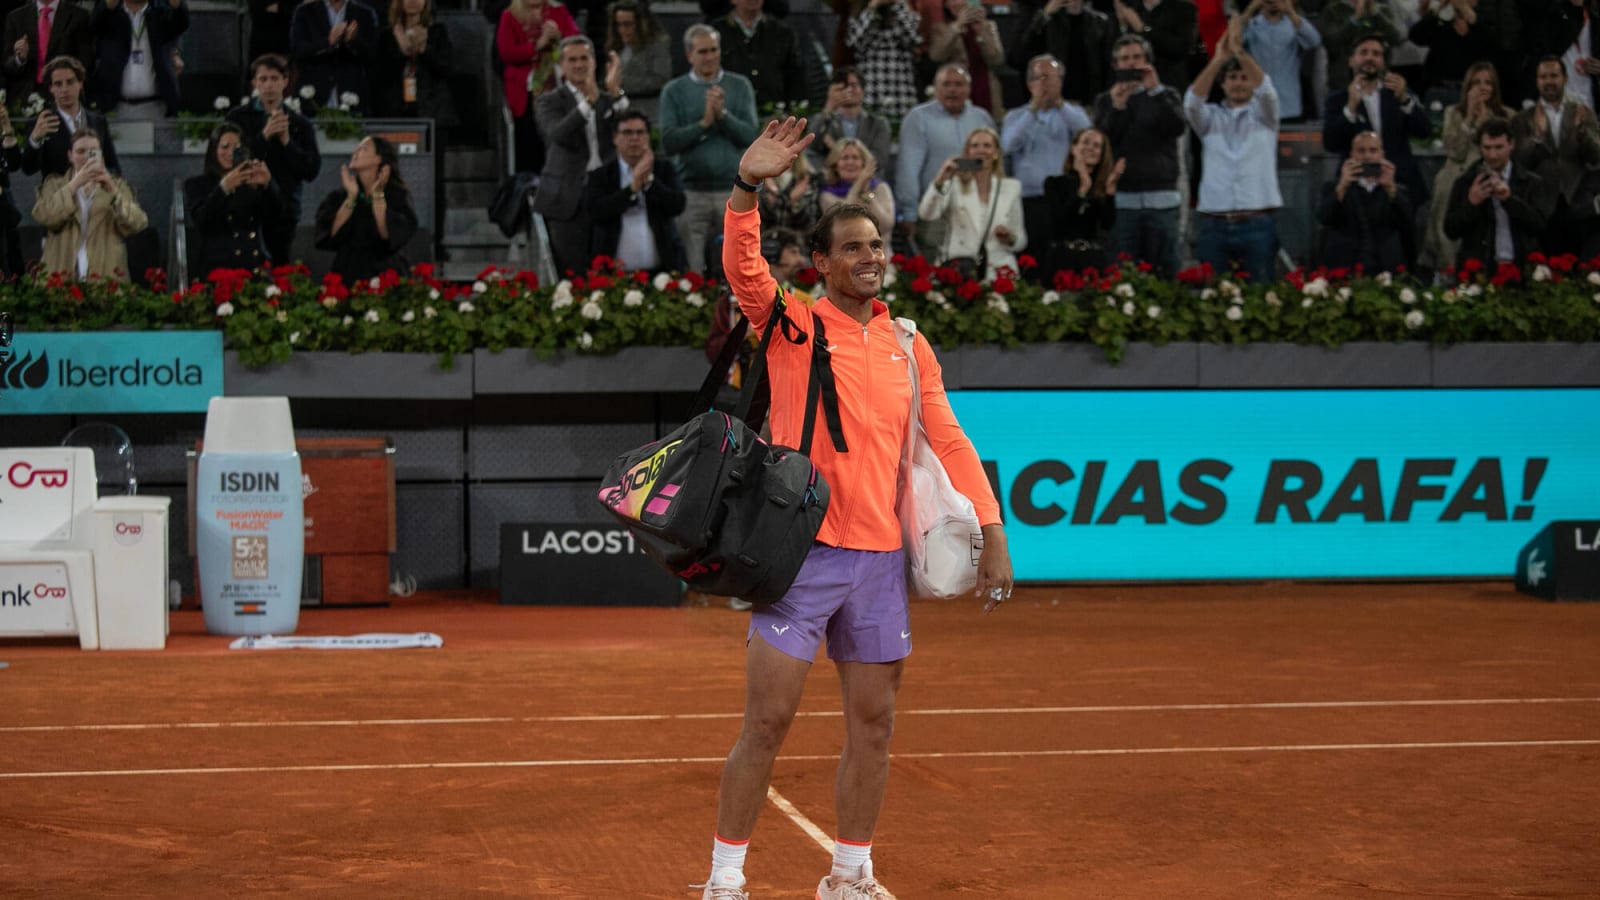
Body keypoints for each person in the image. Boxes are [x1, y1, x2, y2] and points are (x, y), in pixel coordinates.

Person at [697, 115, 1013, 900]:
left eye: (878, 247)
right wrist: (746, 187)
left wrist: (993, 528)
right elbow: (744, 269)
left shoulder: (910, 343)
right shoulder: (794, 324)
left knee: (874, 726)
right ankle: (725, 881)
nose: (870, 259)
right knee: (766, 725)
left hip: (877, 563)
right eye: (854, 248)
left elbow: (951, 441)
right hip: (799, 556)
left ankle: (848, 874)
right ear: (823, 262)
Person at [659, 24, 758, 274]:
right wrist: (703, 124)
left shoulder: (739, 86)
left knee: (737, 269)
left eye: (714, 50)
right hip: (692, 193)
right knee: (693, 270)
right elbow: (668, 142)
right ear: (689, 55)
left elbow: (749, 135)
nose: (710, 57)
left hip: (734, 192)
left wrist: (722, 115)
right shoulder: (674, 91)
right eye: (703, 51)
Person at [1187, 25, 1282, 280]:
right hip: (1214, 224)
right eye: (1232, 78)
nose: (1238, 83)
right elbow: (1192, 103)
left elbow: (1268, 93)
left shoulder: (1266, 117)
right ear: (1223, 83)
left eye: (1244, 78)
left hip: (1257, 223)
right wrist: (1218, 60)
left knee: (1262, 302)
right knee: (1213, 302)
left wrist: (1239, 53)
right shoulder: (1209, 120)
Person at [1093, 34, 1186, 276]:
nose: (1132, 64)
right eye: (1125, 59)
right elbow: (1100, 145)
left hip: (1162, 200)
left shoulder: (1167, 95)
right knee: (1121, 278)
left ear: (1149, 61)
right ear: (1116, 66)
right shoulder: (1105, 101)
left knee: (1167, 277)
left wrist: (1154, 90)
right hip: (1122, 202)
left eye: (1137, 57)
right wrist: (1117, 107)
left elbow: (1177, 127)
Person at [533, 35, 625, 275]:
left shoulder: (608, 99)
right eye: (572, 60)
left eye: (584, 58)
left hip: (605, 195)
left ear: (594, 62)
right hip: (566, 199)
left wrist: (616, 94)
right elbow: (557, 134)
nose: (579, 64)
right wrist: (587, 103)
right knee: (571, 273)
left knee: (607, 271)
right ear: (562, 66)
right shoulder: (549, 101)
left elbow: (628, 128)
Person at [227, 54, 322, 267]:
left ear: (285, 81)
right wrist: (263, 137)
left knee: (279, 269)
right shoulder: (237, 118)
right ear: (254, 83)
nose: (269, 85)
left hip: (283, 212)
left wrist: (287, 142)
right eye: (263, 79)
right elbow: (231, 160)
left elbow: (311, 170)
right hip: (245, 208)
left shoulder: (300, 124)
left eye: (274, 78)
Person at [1002, 54, 1091, 279]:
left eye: (1052, 78)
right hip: (1028, 199)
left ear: (1061, 82)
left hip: (1063, 200)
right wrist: (1033, 109)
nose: (1047, 84)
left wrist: (1060, 104)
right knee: (1032, 259)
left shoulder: (1073, 114)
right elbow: (1007, 145)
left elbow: (1087, 133)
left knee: (1060, 257)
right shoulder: (1016, 115)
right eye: (1041, 78)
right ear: (1030, 83)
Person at [894, 63, 994, 258]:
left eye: (958, 84)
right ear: (935, 88)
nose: (952, 89)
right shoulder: (918, 118)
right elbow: (908, 168)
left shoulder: (981, 118)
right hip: (935, 210)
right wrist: (909, 213)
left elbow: (989, 165)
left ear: (968, 88)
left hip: (977, 209)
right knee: (935, 271)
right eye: (946, 84)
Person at [1420, 61, 1510, 272]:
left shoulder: (1506, 115)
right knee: (1448, 188)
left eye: (1488, 82)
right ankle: (1447, 268)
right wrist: (1469, 118)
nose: (1482, 87)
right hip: (1457, 173)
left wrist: (1487, 119)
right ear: (1467, 87)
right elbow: (1454, 152)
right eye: (1476, 82)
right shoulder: (1454, 113)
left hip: (1493, 174)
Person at [1323, 34, 1432, 205]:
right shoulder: (1337, 100)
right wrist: (1350, 109)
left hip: (1400, 184)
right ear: (1351, 60)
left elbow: (1424, 131)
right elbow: (1330, 143)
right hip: (1356, 188)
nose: (1369, 58)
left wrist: (1405, 100)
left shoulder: (1398, 93)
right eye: (1364, 52)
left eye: (1376, 54)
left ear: (1384, 62)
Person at [1511, 56, 1600, 256]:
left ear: (1565, 79)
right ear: (1536, 81)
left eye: (1554, 75)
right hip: (1540, 207)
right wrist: (1538, 137)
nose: (1549, 81)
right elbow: (1520, 163)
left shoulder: (1583, 113)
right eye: (1543, 77)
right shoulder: (1522, 119)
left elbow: (1595, 158)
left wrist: (1582, 133)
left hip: (1578, 204)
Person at [32, 129, 147, 281]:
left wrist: (112, 190)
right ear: (70, 156)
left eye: (93, 152)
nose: (86, 157)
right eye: (80, 151)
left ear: (101, 155)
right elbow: (43, 215)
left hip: (106, 274)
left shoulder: (117, 185)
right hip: (61, 274)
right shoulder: (54, 184)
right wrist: (74, 185)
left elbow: (137, 224)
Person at [917, 125, 1027, 277]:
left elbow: (1020, 240)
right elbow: (926, 214)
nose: (981, 150)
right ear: (968, 152)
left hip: (998, 270)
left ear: (996, 153)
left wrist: (1009, 238)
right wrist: (941, 178)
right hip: (959, 268)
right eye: (975, 146)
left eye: (987, 146)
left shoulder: (1012, 188)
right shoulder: (953, 185)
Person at [586, 108, 687, 272]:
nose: (634, 138)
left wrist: (649, 182)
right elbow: (596, 211)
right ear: (615, 138)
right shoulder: (601, 175)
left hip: (662, 271)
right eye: (627, 133)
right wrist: (632, 189)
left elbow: (677, 205)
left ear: (647, 137)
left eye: (640, 132)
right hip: (613, 273)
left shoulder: (663, 169)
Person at [1443, 117, 1553, 264]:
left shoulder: (1531, 182)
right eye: (1487, 148)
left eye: (1498, 147)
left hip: (1521, 267)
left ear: (1511, 144)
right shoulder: (1465, 182)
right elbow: (1451, 231)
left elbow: (1539, 226)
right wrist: (1471, 204)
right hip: (1480, 268)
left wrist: (1509, 200)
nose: (1492, 155)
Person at [314, 135, 419, 281]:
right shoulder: (339, 196)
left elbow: (387, 235)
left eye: (363, 148)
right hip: (348, 269)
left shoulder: (397, 195)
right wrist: (351, 197)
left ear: (379, 159)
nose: (355, 152)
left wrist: (377, 196)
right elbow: (332, 234)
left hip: (385, 270)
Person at [185, 123, 283, 274]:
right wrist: (224, 188)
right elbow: (201, 220)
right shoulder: (197, 184)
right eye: (224, 147)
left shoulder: (251, 183)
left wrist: (268, 185)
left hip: (252, 265)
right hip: (218, 267)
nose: (230, 152)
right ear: (213, 151)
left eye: (236, 147)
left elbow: (277, 218)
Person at [497, 0, 579, 174]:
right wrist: (537, 46)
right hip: (526, 96)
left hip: (558, 90)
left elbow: (576, 43)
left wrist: (559, 37)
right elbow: (506, 52)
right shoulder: (509, 16)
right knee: (530, 150)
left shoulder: (559, 11)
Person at [1318, 130, 1414, 271]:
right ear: (1352, 155)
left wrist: (1390, 188)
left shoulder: (1398, 189)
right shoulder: (1333, 187)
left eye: (1373, 150)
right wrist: (1342, 186)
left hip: (1385, 266)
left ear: (1382, 155)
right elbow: (1323, 218)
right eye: (1361, 151)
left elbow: (1407, 221)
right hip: (1346, 266)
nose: (1367, 156)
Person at [1041, 126, 1123, 276]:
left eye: (1097, 146)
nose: (1090, 148)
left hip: (1091, 261)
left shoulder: (1100, 188)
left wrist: (1110, 192)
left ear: (1101, 155)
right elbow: (1059, 222)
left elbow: (1107, 224)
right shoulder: (1054, 183)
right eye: (1086, 142)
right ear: (1074, 148)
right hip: (1062, 259)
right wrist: (1083, 187)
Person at [89, 0, 188, 119]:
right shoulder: (110, 15)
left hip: (158, 107)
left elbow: (181, 22)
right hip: (116, 107)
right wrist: (109, 5)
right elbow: (95, 23)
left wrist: (177, 4)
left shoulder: (160, 11)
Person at [22, 56, 117, 179]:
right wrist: (35, 139)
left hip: (94, 193)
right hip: (58, 195)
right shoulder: (43, 123)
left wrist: (103, 174)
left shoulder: (97, 121)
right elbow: (28, 169)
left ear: (80, 83)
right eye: (58, 84)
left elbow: (114, 167)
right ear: (51, 88)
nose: (65, 89)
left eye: (70, 82)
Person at [289, 0, 380, 114]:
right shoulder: (305, 11)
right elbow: (298, 50)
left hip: (351, 94)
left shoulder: (364, 13)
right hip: (313, 96)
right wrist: (328, 42)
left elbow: (373, 54)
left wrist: (353, 41)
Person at [713, 0, 805, 110]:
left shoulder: (783, 33)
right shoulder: (714, 33)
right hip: (729, 114)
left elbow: (795, 77)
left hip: (774, 114)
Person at [1022, 0, 1116, 105]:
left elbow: (1107, 63)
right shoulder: (1051, 20)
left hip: (1089, 93)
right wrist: (1045, 14)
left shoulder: (1099, 21)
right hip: (1059, 93)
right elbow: (1026, 47)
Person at [1241, 0, 1321, 121]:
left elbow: (1314, 40)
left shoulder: (1294, 23)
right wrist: (1250, 10)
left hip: (1289, 103)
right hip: (1258, 103)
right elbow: (1235, 42)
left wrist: (1290, 12)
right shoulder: (1251, 24)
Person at [805, 66, 893, 175]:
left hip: (869, 184)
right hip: (831, 184)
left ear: (863, 90)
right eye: (842, 87)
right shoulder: (824, 120)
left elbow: (879, 159)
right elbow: (811, 149)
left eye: (853, 85)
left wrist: (836, 150)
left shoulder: (878, 124)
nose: (848, 90)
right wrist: (829, 107)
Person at [2, 0, 92, 104]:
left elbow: (86, 60)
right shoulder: (15, 17)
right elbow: (6, 64)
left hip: (65, 93)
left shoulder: (79, 16)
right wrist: (19, 58)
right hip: (25, 96)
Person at [844, 0, 922, 118]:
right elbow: (855, 42)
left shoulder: (905, 11)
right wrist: (872, 7)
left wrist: (897, 4)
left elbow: (912, 38)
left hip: (901, 87)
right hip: (870, 86)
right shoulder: (858, 15)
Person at [927, 0, 1004, 118]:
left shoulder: (988, 26)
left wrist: (982, 32)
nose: (958, 3)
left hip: (984, 88)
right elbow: (936, 55)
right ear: (946, 5)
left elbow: (997, 59)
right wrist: (957, 26)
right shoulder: (941, 29)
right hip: (955, 89)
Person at [1108, 0, 1199, 92]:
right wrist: (1122, 26)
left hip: (1169, 86)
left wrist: (1142, 29)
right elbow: (1114, 52)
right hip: (1131, 90)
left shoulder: (1183, 8)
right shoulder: (1128, 7)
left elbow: (1181, 48)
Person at [604, 0, 670, 122]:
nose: (622, 29)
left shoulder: (657, 45)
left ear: (641, 23)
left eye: (628, 24)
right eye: (618, 25)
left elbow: (660, 80)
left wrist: (619, 85)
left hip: (649, 113)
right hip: (620, 113)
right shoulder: (615, 46)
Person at [1317, 0, 1400, 95]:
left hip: (1378, 81)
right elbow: (1332, 43)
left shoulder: (1382, 9)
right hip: (1344, 82)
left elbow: (1395, 38)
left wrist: (1376, 14)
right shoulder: (1333, 10)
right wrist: (1355, 19)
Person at [818, 137, 894, 235]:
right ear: (835, 165)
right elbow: (845, 222)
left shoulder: (880, 188)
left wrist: (867, 195)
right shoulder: (827, 194)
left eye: (855, 157)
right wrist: (859, 184)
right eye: (845, 158)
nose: (850, 162)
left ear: (864, 163)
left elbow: (885, 226)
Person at [758, 152, 820, 234]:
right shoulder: (762, 174)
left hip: (798, 241)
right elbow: (761, 214)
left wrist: (776, 196)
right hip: (765, 239)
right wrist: (791, 200)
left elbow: (807, 218)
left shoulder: (809, 178)